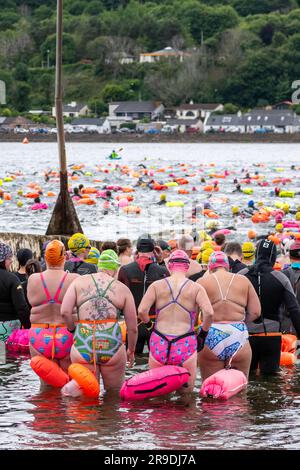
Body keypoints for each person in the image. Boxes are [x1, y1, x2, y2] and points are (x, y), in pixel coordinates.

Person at [61, 249, 138, 392]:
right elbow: (132, 327)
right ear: (115, 267)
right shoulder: (123, 289)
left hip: (83, 342)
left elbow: (65, 312)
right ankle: (109, 414)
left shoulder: (79, 282)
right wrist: (131, 350)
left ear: (99, 265)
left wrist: (73, 330)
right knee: (113, 396)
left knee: (85, 397)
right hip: (112, 345)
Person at [138, 250, 213, 392]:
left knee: (158, 393)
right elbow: (209, 313)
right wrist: (202, 334)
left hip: (159, 341)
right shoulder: (196, 288)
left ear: (169, 266)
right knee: (187, 396)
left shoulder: (156, 286)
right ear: (188, 267)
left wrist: (150, 326)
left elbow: (142, 311)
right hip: (185, 342)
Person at [239, 239, 300, 375]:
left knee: (248, 379)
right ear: (273, 257)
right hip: (271, 337)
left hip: (246, 336)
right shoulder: (281, 278)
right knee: (271, 380)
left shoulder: (240, 276)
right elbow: (294, 309)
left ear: (256, 254)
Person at [198, 251, 261, 380]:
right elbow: (256, 312)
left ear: (210, 267)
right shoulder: (243, 280)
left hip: (211, 333)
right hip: (238, 334)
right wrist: (240, 322)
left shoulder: (202, 282)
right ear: (228, 266)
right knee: (239, 389)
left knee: (210, 388)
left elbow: (192, 316)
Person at [27, 240, 79, 376]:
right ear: (65, 257)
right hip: (67, 335)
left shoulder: (33, 279)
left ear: (45, 258)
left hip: (39, 335)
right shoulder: (74, 279)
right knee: (68, 382)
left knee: (47, 385)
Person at [118, 235, 169, 354]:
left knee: (132, 364)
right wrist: (161, 261)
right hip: (154, 325)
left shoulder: (125, 270)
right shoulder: (163, 271)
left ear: (137, 250)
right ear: (154, 249)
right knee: (156, 363)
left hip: (133, 325)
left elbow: (119, 299)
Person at [0, 242, 30, 341]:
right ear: (2, 260)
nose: (11, 261)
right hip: (8, 327)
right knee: (6, 355)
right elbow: (21, 307)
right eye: (9, 258)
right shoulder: (12, 279)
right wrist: (28, 327)